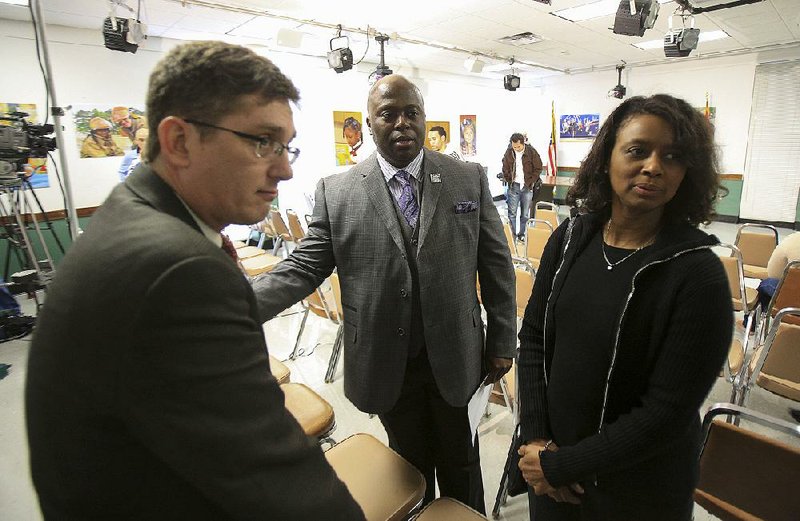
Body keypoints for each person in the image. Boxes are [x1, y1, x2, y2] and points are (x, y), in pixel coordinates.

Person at [26, 41, 364, 520]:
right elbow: (278, 479)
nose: (285, 169)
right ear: (179, 141)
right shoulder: (181, 271)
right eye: (263, 141)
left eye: (287, 146)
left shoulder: (132, 217)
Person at [253, 74, 516, 514]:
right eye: (388, 114)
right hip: (385, 361)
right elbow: (303, 266)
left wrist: (503, 340)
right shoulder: (337, 193)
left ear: (424, 118)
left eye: (411, 113)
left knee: (462, 465)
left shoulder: (465, 178)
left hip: (457, 354)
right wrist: (233, 307)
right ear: (368, 122)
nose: (402, 124)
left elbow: (496, 267)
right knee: (407, 466)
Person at [516, 94, 733, 520]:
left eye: (672, 156)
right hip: (551, 469)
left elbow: (667, 411)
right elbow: (534, 341)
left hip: (637, 491)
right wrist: (538, 443)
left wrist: (561, 467)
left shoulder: (697, 274)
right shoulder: (570, 240)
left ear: (687, 172)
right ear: (606, 158)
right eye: (638, 150)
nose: (654, 166)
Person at [502, 132, 543, 240]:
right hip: (513, 186)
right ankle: (513, 235)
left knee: (525, 214)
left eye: (518, 147)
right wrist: (507, 177)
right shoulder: (509, 152)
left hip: (527, 187)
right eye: (514, 146)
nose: (516, 149)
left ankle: (521, 234)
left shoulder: (531, 152)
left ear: (523, 143)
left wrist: (531, 181)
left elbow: (538, 168)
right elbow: (504, 165)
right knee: (512, 213)